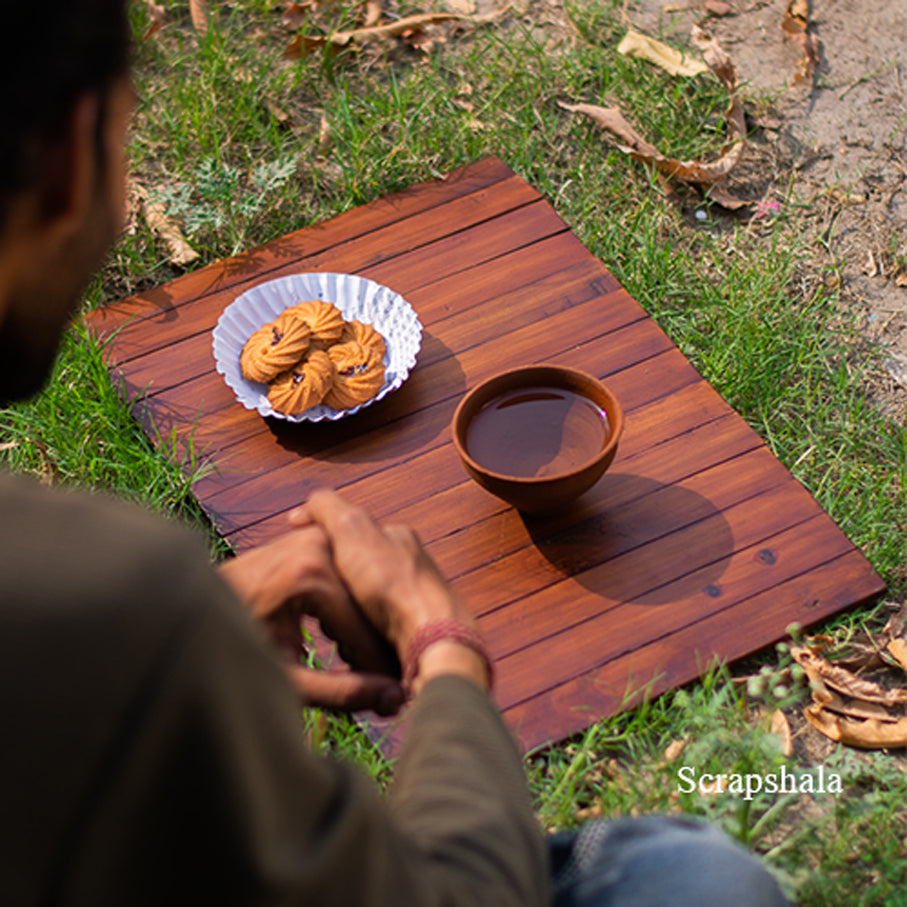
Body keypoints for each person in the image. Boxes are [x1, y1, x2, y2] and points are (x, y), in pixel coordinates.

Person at [0, 2, 790, 904]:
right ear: (72, 155)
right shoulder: (92, 586)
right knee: (696, 874)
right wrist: (444, 642)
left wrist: (181, 630)